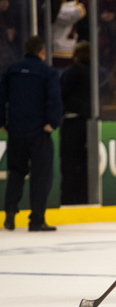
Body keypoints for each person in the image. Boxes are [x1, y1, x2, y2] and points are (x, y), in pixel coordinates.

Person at [0, 36, 63, 231]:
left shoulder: (12, 70)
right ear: (42, 51)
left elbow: (1, 97)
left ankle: (10, 215)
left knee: (16, 172)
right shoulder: (47, 72)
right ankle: (36, 219)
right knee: (41, 175)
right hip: (38, 132)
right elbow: (54, 99)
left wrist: (3, 122)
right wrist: (52, 122)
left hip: (17, 130)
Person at [60, 41, 90, 205]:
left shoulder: (72, 72)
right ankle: (84, 196)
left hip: (72, 122)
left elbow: (61, 93)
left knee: (70, 162)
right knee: (85, 162)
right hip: (90, 122)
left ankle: (70, 198)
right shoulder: (97, 72)